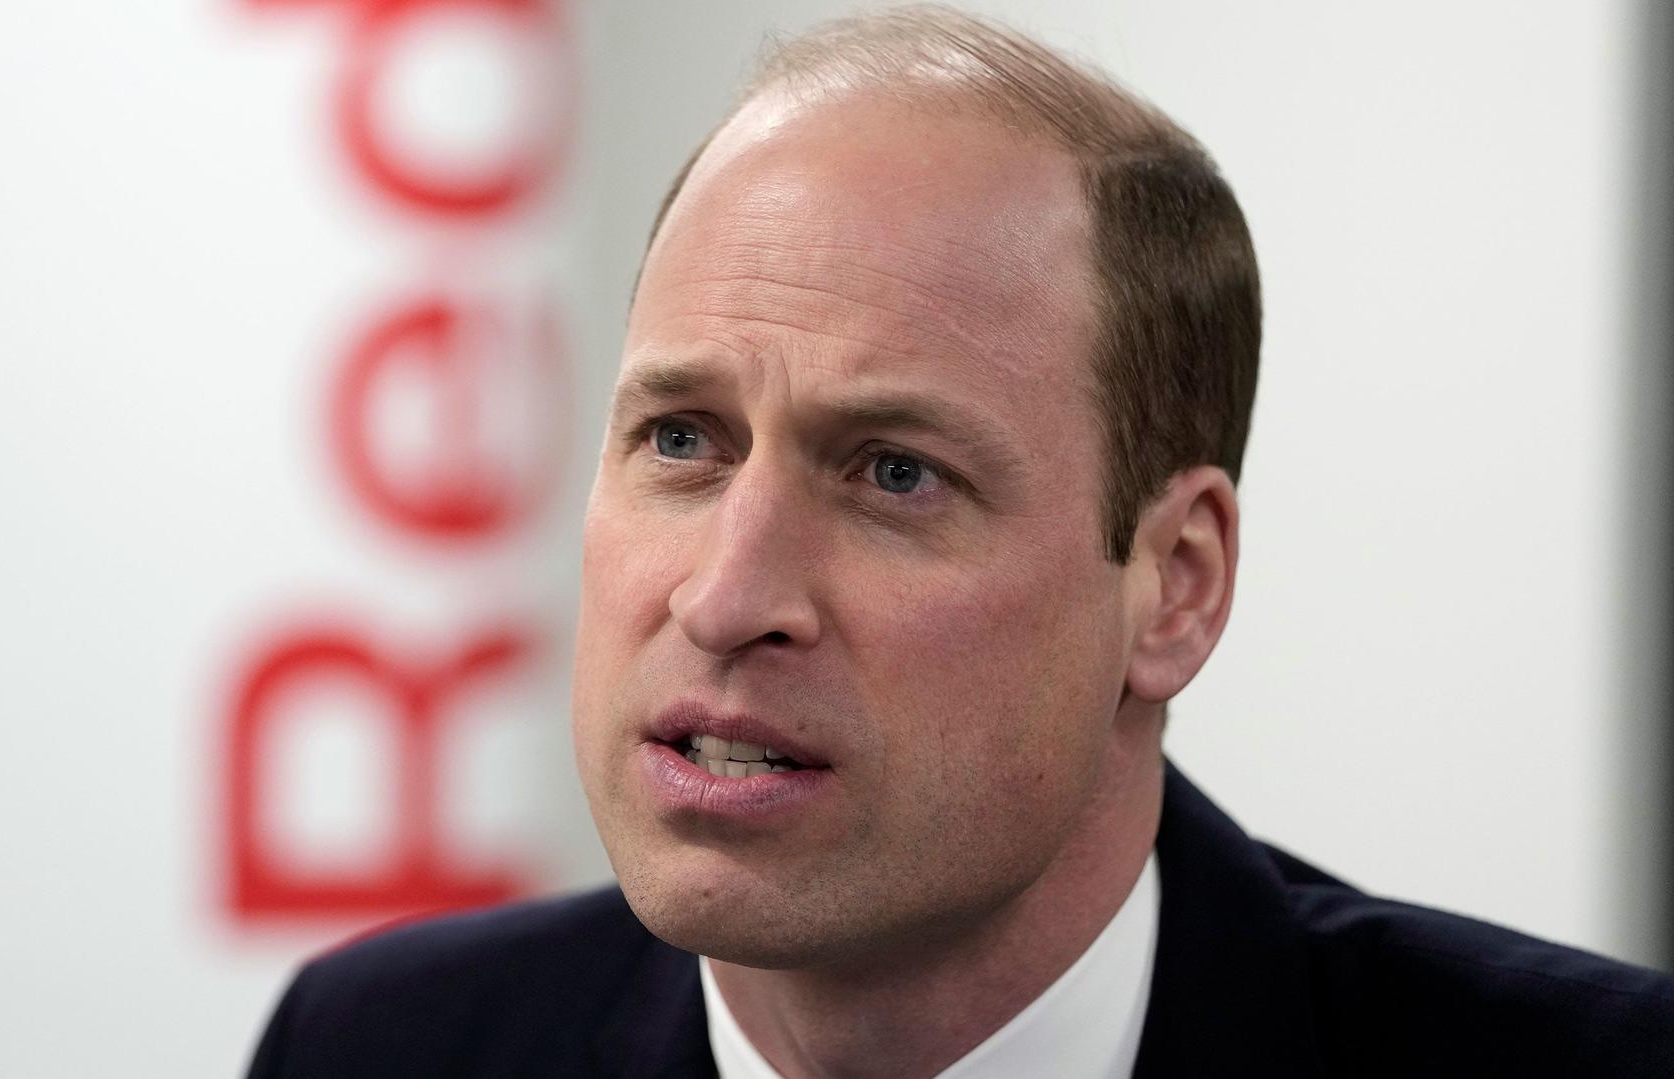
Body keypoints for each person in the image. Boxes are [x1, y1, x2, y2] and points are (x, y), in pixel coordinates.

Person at [245, 6, 1674, 1076]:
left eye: (893, 473)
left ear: (1174, 587)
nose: (728, 596)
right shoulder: (380, 1047)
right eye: (682, 439)